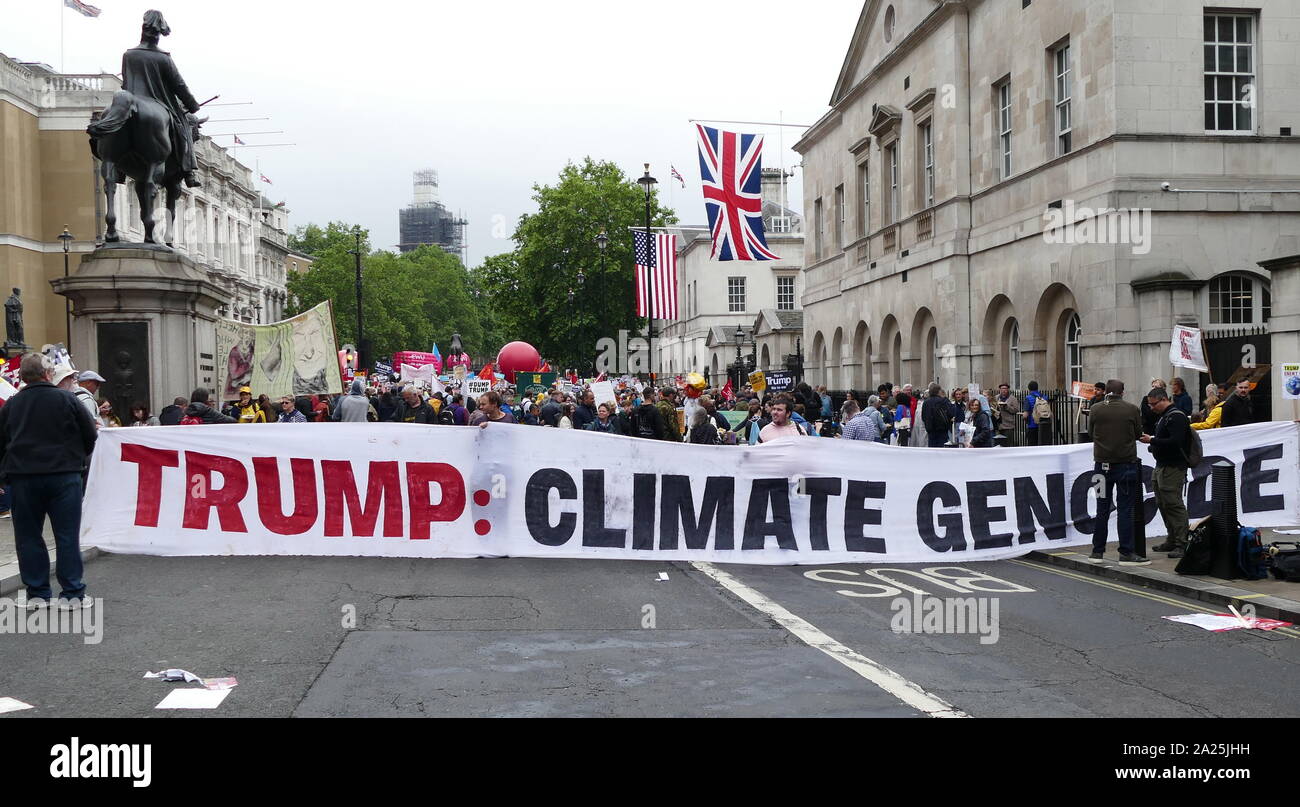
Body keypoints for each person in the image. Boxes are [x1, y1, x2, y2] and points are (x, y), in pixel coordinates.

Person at [0, 354, 97, 608]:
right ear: (47, 374)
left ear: (22, 377)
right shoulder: (67, 399)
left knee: (28, 537)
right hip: (64, 475)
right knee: (66, 535)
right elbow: (90, 435)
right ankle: (73, 594)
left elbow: (1, 443)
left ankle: (38, 594)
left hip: (23, 477)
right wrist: (77, 459)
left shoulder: (12, 404)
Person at [1087, 379, 1149, 565]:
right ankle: (1126, 553)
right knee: (1125, 510)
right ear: (1122, 392)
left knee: (1101, 509)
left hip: (1100, 467)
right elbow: (1138, 432)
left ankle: (1097, 552)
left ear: (1106, 391)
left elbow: (1091, 433)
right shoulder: (1131, 409)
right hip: (1125, 466)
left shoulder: (1096, 409)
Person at [1140, 387, 1190, 559]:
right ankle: (1172, 538)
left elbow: (1176, 441)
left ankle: (1182, 543)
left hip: (1173, 467)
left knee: (1174, 504)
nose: (1151, 408)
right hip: (1161, 465)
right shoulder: (1164, 416)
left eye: (1153, 404)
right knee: (1162, 503)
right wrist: (1153, 444)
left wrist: (1153, 440)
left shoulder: (1176, 416)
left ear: (1163, 400)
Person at [920, 383, 953, 448]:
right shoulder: (942, 401)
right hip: (942, 429)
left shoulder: (926, 402)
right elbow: (950, 413)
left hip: (930, 429)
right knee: (941, 448)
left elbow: (923, 416)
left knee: (932, 448)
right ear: (938, 391)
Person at [1024, 381, 1050, 446]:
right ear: (1037, 388)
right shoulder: (1044, 397)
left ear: (1029, 388)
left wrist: (1025, 419)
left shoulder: (1028, 398)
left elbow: (1025, 415)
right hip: (1044, 425)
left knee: (1033, 446)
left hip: (1032, 425)